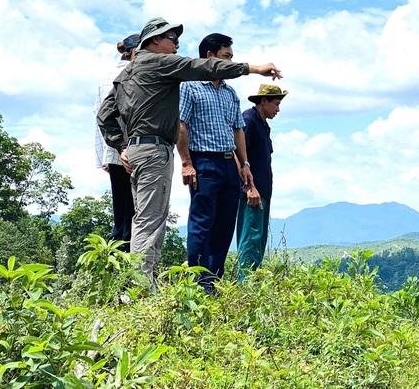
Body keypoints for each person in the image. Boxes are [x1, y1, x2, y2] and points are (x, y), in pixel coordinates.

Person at [97, 17, 282, 290]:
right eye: (172, 39)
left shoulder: (127, 72)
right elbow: (199, 67)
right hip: (157, 151)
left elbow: (105, 115)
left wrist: (123, 145)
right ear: (156, 40)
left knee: (144, 219)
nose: (176, 46)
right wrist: (254, 68)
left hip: (139, 151)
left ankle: (160, 282)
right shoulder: (160, 63)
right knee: (152, 222)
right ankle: (142, 288)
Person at [177, 33, 254, 291]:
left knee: (224, 225)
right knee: (201, 224)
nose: (231, 62)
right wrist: (187, 163)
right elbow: (181, 126)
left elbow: (238, 130)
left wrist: (244, 165)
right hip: (204, 162)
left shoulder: (231, 93)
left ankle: (215, 281)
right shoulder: (190, 87)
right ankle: (199, 283)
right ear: (209, 56)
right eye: (226, 57)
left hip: (228, 164)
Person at [236, 83, 287, 280]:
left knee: (258, 241)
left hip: (263, 191)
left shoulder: (263, 124)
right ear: (263, 101)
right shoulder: (248, 120)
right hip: (253, 192)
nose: (278, 109)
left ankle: (253, 284)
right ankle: (245, 285)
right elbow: (239, 156)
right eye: (275, 103)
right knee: (250, 239)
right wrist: (250, 187)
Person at [94, 33, 138, 251]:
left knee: (120, 212)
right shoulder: (130, 73)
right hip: (132, 148)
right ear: (133, 52)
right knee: (134, 212)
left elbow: (99, 116)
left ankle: (113, 263)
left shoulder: (105, 76)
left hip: (112, 151)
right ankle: (127, 266)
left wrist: (102, 154)